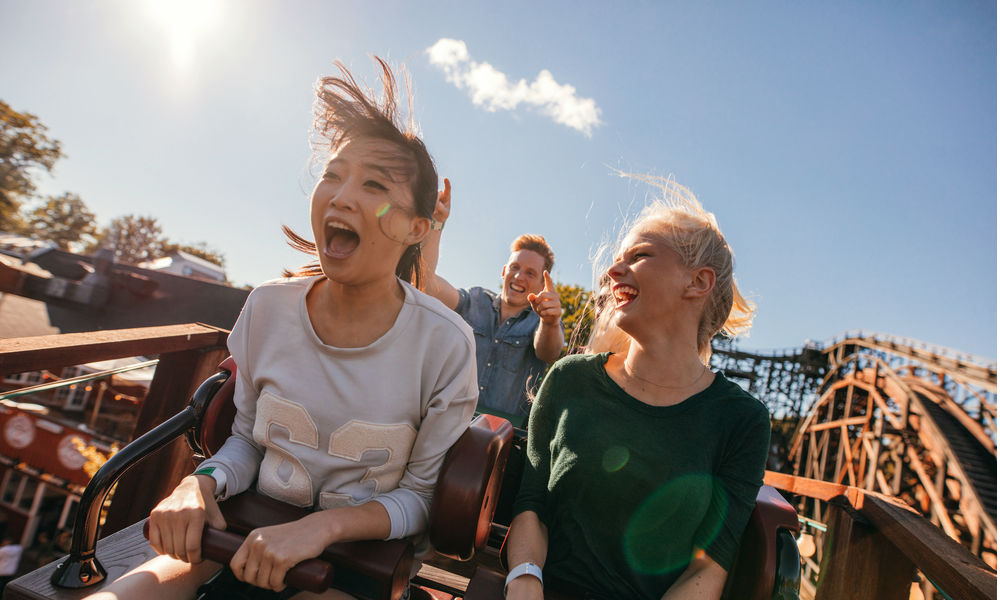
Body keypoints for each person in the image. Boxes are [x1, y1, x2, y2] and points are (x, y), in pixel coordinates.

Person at [84, 57, 478, 600]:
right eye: (332, 175)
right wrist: (199, 483)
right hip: (243, 540)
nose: (341, 196)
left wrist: (321, 528)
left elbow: (418, 499)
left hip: (358, 567)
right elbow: (247, 441)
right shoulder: (268, 306)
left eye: (373, 184)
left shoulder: (445, 343)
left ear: (417, 227)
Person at [503, 177, 770, 600]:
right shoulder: (570, 379)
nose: (612, 271)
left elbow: (708, 567)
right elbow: (531, 505)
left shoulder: (742, 421)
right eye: (616, 259)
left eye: (640, 255)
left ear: (698, 283)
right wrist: (524, 580)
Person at [422, 183, 564, 425]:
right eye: (515, 267)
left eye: (530, 273)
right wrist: (436, 224)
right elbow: (426, 284)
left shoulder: (541, 322)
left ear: (542, 284)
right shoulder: (475, 299)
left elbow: (549, 352)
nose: (519, 276)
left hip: (503, 438)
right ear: (503, 271)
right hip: (445, 422)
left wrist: (550, 322)